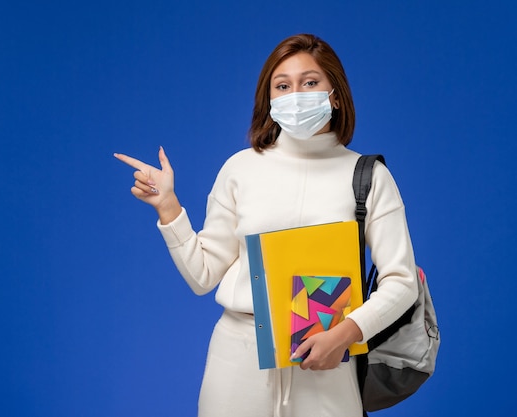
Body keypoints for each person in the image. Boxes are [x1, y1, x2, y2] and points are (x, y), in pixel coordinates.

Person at [114, 34, 417, 417]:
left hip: (327, 362)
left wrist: (345, 334)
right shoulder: (241, 168)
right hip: (237, 360)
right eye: (283, 85)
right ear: (270, 99)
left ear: (335, 94)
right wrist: (169, 208)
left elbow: (402, 282)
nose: (296, 94)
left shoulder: (369, 176)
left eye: (310, 82)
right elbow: (203, 275)